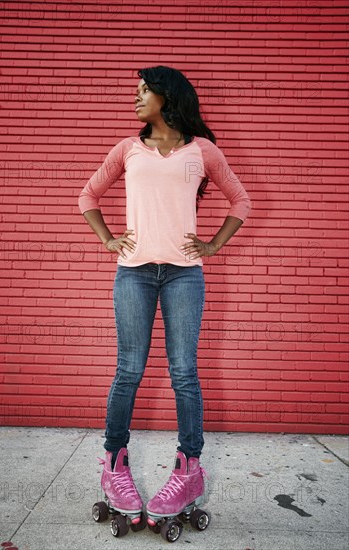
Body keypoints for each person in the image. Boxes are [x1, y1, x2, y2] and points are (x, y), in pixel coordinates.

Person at [78, 65, 252, 531]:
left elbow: (241, 201)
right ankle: (114, 465)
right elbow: (88, 195)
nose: (136, 98)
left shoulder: (203, 152)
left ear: (167, 96)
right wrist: (109, 240)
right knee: (129, 369)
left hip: (184, 276)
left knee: (184, 372)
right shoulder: (128, 150)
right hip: (133, 274)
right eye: (135, 91)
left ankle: (189, 470)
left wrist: (213, 245)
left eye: (143, 91)